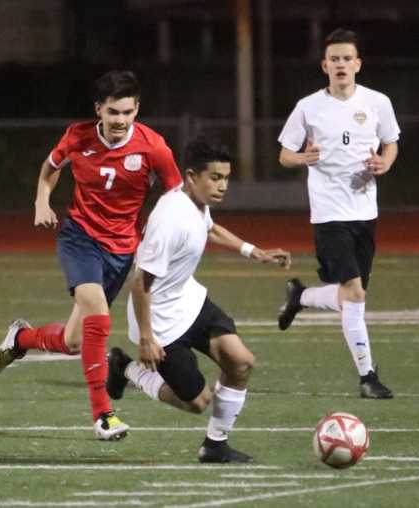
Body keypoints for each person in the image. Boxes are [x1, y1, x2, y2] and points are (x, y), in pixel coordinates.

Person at [0, 70, 184, 441]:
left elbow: (177, 197)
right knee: (100, 317)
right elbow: (50, 170)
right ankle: (103, 415)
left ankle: (19, 339)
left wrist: (167, 236)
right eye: (113, 113)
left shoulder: (153, 146)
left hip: (122, 250)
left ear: (137, 109)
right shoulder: (77, 136)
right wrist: (41, 202)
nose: (120, 121)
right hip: (80, 238)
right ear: (99, 110)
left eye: (127, 112)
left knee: (75, 342)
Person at [106, 140, 291, 462]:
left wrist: (253, 251)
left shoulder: (195, 203)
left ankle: (215, 446)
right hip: (160, 321)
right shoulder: (169, 220)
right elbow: (140, 283)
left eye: (226, 178)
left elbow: (211, 229)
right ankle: (125, 369)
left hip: (189, 301)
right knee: (196, 402)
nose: (223, 186)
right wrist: (147, 339)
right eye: (215, 178)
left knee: (241, 362)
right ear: (191, 177)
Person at [277, 28, 399, 399]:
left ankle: (301, 297)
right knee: (355, 292)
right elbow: (284, 154)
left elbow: (391, 143)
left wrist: (385, 163)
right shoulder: (308, 107)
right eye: (335, 59)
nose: (341, 64)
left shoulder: (378, 102)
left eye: (348, 58)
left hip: (366, 211)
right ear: (324, 65)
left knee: (351, 295)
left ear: (357, 64)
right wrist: (302, 157)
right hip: (329, 213)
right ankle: (367, 377)